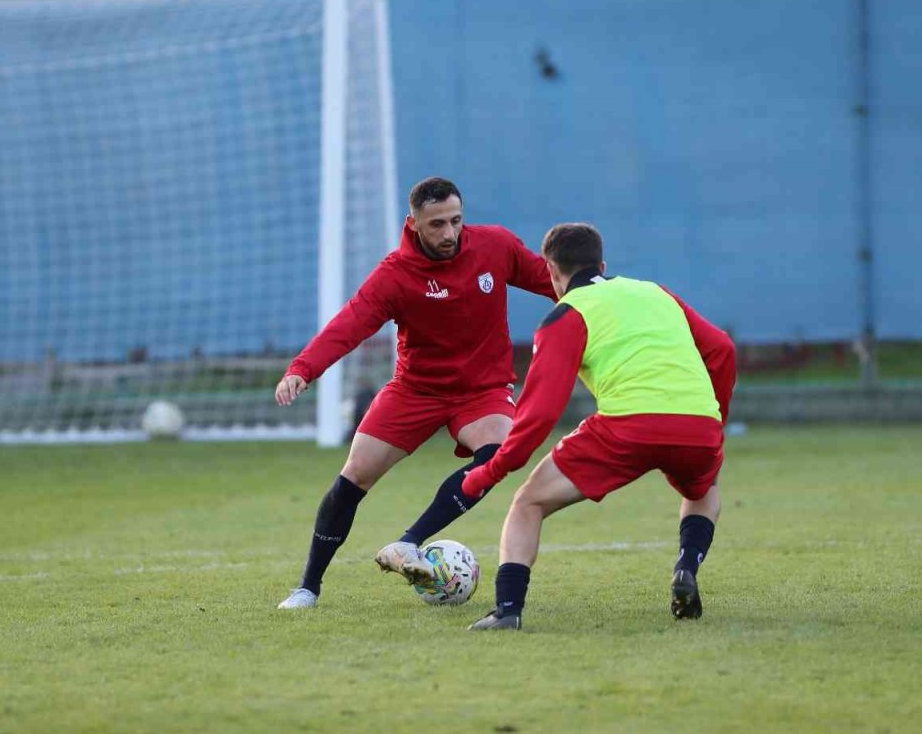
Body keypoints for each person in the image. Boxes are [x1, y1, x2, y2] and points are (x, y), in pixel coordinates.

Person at [275, 177, 557, 609]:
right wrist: (303, 368)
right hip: (416, 389)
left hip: (482, 390)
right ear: (414, 224)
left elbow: (553, 280)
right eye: (437, 224)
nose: (448, 234)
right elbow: (350, 325)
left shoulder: (495, 247)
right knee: (355, 475)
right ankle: (308, 587)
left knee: (498, 451)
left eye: (456, 221)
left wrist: (604, 289)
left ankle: (409, 543)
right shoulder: (395, 275)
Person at [461, 222, 736, 630]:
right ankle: (686, 566)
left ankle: (507, 610)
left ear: (552, 271)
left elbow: (539, 414)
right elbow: (722, 350)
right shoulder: (655, 293)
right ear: (602, 265)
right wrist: (712, 422)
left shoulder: (567, 315)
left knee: (528, 503)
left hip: (627, 427)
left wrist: (488, 472)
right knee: (704, 491)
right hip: (698, 423)